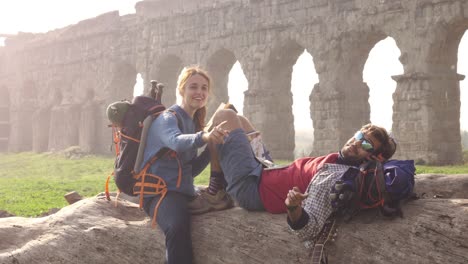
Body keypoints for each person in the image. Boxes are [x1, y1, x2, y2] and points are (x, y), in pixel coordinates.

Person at [202, 109, 411, 241]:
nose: (356, 142)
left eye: (366, 144)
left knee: (224, 116)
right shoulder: (341, 160)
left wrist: (293, 208)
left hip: (251, 187)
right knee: (236, 115)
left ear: (372, 158)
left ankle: (216, 187)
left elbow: (307, 230)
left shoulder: (335, 177)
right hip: (266, 168)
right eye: (358, 136)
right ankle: (215, 171)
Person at [139, 66, 229, 264]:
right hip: (160, 193)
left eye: (204, 88)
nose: (200, 92)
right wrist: (205, 136)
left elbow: (189, 170)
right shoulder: (167, 118)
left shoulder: (191, 121)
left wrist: (211, 147)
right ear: (181, 90)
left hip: (181, 190)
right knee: (177, 228)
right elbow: (177, 142)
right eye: (193, 87)